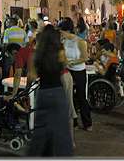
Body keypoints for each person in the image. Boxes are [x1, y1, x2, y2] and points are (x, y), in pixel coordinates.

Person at [26, 25, 73, 157]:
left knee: (41, 127)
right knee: (60, 127)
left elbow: (32, 76)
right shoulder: (60, 51)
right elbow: (65, 67)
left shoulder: (36, 54)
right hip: (58, 92)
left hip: (43, 93)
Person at [59, 17, 92, 132]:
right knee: (69, 96)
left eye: (61, 32)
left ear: (67, 31)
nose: (60, 34)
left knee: (81, 97)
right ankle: (73, 122)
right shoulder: (63, 42)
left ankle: (87, 122)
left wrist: (72, 62)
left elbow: (85, 58)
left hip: (79, 71)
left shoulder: (80, 41)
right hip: (68, 71)